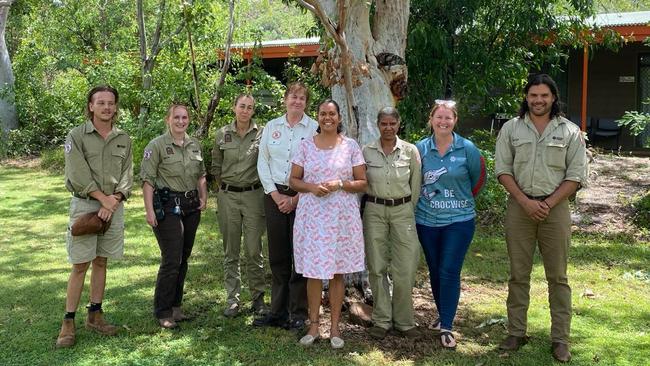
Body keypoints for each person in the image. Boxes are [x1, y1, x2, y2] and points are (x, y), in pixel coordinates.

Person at [495, 74, 587, 363]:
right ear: (526, 97)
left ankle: (560, 339)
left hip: (555, 210)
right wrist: (524, 202)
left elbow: (575, 176)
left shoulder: (570, 132)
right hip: (519, 209)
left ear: (553, 98)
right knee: (518, 275)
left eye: (544, 95)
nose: (538, 100)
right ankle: (516, 332)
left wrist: (546, 203)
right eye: (533, 95)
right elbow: (503, 169)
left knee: (558, 277)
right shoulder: (511, 129)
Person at [56, 85, 133, 348]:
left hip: (113, 207)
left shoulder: (124, 138)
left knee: (101, 262)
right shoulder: (76, 136)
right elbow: (77, 173)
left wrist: (115, 201)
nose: (106, 107)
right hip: (86, 206)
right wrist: (103, 200)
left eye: (111, 103)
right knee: (80, 265)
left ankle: (95, 315)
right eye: (100, 103)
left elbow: (127, 175)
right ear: (91, 106)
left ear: (116, 107)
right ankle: (68, 322)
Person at [289, 99, 367, 349]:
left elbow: (362, 182)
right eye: (323, 114)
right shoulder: (305, 146)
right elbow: (293, 180)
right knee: (313, 272)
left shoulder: (351, 146)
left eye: (332, 114)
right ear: (318, 117)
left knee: (337, 271)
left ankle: (334, 328)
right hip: (313, 217)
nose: (327, 118)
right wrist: (312, 187)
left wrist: (340, 184)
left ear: (339, 117)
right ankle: (313, 326)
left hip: (341, 218)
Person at [415, 99, 486, 349]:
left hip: (459, 221)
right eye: (439, 117)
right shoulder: (419, 149)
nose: (443, 122)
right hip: (426, 220)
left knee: (448, 269)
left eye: (448, 118)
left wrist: (458, 201)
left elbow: (477, 181)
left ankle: (446, 326)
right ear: (431, 120)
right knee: (435, 269)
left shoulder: (467, 148)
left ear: (455, 121)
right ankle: (443, 313)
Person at [254, 82, 318, 329]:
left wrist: (295, 199)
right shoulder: (272, 127)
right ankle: (277, 311)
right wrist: (276, 195)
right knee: (278, 254)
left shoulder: (314, 128)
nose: (297, 101)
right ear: (285, 99)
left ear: (306, 102)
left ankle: (299, 313)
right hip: (274, 196)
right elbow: (263, 162)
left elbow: (316, 166)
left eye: (302, 98)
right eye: (293, 96)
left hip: (303, 197)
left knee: (300, 254)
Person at [140, 103, 207, 329]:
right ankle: (163, 311)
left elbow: (201, 175)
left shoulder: (194, 145)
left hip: (190, 206)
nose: (181, 121)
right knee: (172, 259)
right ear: (168, 119)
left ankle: (176, 307)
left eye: (184, 117)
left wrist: (204, 197)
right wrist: (149, 211)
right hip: (168, 206)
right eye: (176, 117)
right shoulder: (156, 145)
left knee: (184, 258)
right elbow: (148, 180)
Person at [363, 107, 422, 340]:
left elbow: (415, 184)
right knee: (376, 266)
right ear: (378, 125)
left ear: (399, 124)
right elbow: (361, 182)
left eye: (392, 124)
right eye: (384, 124)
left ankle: (405, 321)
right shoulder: (366, 151)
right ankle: (381, 320)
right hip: (374, 210)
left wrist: (406, 207)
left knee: (405, 267)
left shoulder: (410, 151)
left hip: (403, 211)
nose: (388, 128)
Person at [211, 94, 267, 318]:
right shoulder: (222, 134)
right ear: (234, 107)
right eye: (241, 106)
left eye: (250, 107)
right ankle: (233, 299)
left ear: (253, 111)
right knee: (231, 250)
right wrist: (224, 190)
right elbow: (216, 166)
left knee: (254, 250)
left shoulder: (262, 133)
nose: (245, 110)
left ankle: (258, 298)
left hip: (254, 196)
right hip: (228, 197)